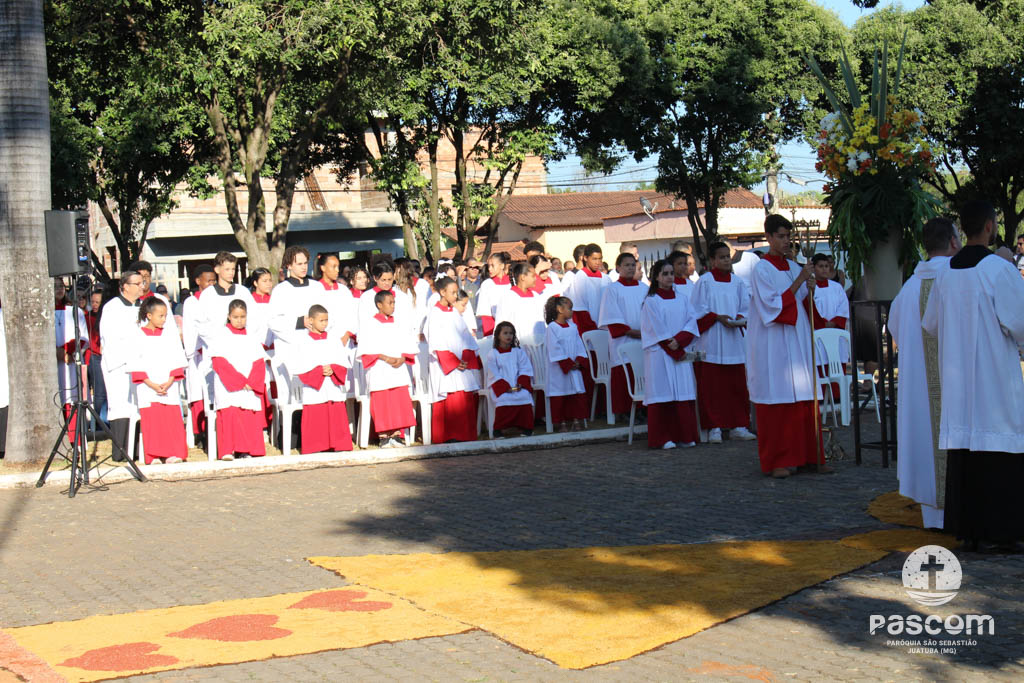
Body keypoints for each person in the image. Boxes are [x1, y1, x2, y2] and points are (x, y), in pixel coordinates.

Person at [922, 200, 1024, 550]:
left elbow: (931, 323)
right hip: (993, 377)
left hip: (959, 381)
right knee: (998, 448)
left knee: (967, 452)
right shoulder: (999, 270)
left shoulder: (946, 272)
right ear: (990, 227)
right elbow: (1019, 323)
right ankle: (1001, 533)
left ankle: (969, 531)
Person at [889, 217, 961, 530]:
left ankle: (932, 517)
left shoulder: (908, 288)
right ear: (954, 242)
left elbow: (893, 328)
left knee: (925, 438)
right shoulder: (959, 279)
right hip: (955, 382)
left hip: (920, 386)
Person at [746, 215, 826, 478]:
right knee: (778, 396)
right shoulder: (762, 269)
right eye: (780, 236)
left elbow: (804, 305)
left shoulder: (793, 266)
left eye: (788, 236)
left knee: (802, 394)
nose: (785, 241)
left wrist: (810, 288)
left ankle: (805, 455)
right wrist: (801, 280)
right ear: (768, 237)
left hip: (797, 339)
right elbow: (772, 307)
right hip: (774, 342)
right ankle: (779, 460)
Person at [690, 242, 755, 443]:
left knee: (736, 386)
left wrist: (737, 317)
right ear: (712, 260)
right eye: (722, 257)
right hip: (711, 340)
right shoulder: (705, 282)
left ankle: (738, 425)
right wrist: (717, 317)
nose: (726, 260)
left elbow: (746, 307)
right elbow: (696, 310)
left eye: (728, 256)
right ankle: (714, 427)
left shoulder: (737, 282)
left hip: (733, 340)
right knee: (712, 388)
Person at [641, 259, 701, 449]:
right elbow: (655, 328)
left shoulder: (683, 298)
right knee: (663, 394)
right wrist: (672, 346)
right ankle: (663, 437)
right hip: (661, 354)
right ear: (656, 277)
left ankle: (685, 435)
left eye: (671, 273)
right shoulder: (651, 301)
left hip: (680, 351)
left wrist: (680, 343)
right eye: (665, 274)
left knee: (682, 393)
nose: (669, 277)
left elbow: (692, 322)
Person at [129, 297, 188, 464]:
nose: (164, 319)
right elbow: (136, 363)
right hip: (148, 386)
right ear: (148, 315)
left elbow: (177, 359)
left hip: (168, 385)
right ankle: (154, 454)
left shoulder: (170, 335)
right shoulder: (138, 335)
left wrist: (170, 381)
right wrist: (152, 384)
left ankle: (172, 452)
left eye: (165, 316)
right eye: (160, 316)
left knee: (170, 419)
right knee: (153, 420)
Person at [208, 299, 268, 460]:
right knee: (231, 414)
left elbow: (259, 361)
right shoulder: (221, 335)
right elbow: (219, 362)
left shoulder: (252, 335)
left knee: (247, 415)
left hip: (249, 383)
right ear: (229, 316)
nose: (239, 320)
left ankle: (246, 449)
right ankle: (228, 450)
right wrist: (240, 381)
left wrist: (252, 381)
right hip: (229, 384)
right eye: (235, 317)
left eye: (243, 317)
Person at [290, 304, 353, 454]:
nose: (325, 324)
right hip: (314, 386)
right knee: (316, 414)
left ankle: (338, 444)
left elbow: (342, 361)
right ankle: (316, 445)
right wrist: (319, 371)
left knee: (334, 411)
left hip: (331, 382)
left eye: (326, 320)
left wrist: (333, 368)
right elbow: (301, 365)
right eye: (321, 320)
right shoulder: (303, 341)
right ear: (311, 320)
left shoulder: (333, 339)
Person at [358, 290, 417, 448]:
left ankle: (397, 434)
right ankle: (384, 436)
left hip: (398, 367)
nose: (393, 306)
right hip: (380, 368)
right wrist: (385, 358)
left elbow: (408, 342)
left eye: (394, 303)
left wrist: (403, 358)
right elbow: (366, 347)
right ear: (379, 305)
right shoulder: (369, 324)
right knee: (383, 401)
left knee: (398, 400)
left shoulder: (399, 322)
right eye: (389, 303)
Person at [425, 277, 482, 443]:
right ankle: (449, 435)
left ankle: (466, 435)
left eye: (457, 292)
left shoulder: (454, 313)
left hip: (461, 363)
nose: (456, 296)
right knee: (450, 397)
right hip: (446, 366)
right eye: (453, 292)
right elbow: (436, 342)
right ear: (442, 293)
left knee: (463, 395)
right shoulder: (434, 314)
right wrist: (453, 361)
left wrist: (465, 357)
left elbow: (466, 336)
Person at [99, 271, 147, 461]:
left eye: (142, 283)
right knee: (121, 406)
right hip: (119, 365)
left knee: (137, 406)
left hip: (139, 362)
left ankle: (137, 449)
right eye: (137, 283)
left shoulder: (142, 307)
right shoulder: (112, 308)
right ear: (125, 286)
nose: (141, 286)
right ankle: (120, 451)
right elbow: (109, 337)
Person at [598, 252, 647, 420]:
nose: (630, 268)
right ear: (618, 267)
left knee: (643, 371)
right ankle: (624, 411)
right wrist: (630, 331)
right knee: (624, 372)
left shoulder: (644, 288)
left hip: (644, 339)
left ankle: (642, 408)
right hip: (623, 339)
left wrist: (647, 331)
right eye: (626, 265)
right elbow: (611, 315)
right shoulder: (612, 290)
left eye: (633, 265)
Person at [267, 246, 323, 366]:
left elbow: (329, 314)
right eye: (299, 264)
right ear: (289, 265)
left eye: (305, 263)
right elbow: (273, 321)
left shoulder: (317, 287)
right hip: (290, 349)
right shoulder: (281, 290)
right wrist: (298, 322)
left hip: (316, 346)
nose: (304, 267)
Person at [182, 264, 216, 444]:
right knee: (198, 393)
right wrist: (195, 350)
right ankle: (201, 433)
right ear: (198, 281)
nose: (211, 284)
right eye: (208, 280)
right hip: (198, 354)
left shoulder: (216, 299)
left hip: (215, 353)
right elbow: (189, 329)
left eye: (213, 280)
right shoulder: (191, 302)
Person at [544, 297, 588, 432]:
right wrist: (567, 363)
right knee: (561, 393)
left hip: (574, 366)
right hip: (559, 369)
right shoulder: (552, 328)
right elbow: (554, 348)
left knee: (575, 393)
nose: (572, 311)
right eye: (570, 308)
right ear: (560, 309)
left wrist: (579, 361)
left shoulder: (573, 327)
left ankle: (576, 419)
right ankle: (561, 422)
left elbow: (579, 344)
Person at [809, 253, 850, 399]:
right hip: (818, 333)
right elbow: (809, 307)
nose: (825, 269)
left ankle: (838, 396)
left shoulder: (837, 287)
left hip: (835, 333)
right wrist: (822, 324)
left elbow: (843, 308)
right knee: (820, 362)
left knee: (836, 360)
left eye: (827, 266)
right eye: (821, 266)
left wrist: (832, 323)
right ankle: (821, 398)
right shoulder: (809, 287)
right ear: (813, 268)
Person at [54, 278, 89, 442]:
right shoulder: (43, 312)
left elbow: (82, 336)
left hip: (70, 361)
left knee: (72, 398)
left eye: (61, 286)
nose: (59, 289)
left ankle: (75, 437)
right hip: (54, 362)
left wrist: (68, 351)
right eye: (55, 287)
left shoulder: (74, 311)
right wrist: (57, 352)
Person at [485, 321, 534, 436]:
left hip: (518, 385)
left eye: (511, 333)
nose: (508, 336)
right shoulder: (493, 354)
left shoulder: (518, 352)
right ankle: (500, 430)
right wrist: (505, 387)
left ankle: (525, 428)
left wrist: (521, 384)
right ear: (498, 335)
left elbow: (525, 368)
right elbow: (493, 373)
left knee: (524, 396)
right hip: (502, 386)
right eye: (505, 333)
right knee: (504, 398)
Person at [562, 243, 608, 335]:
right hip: (588, 327)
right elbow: (579, 308)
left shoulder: (606, 278)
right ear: (585, 258)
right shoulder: (580, 277)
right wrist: (592, 328)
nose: (598, 262)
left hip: (605, 326)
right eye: (594, 259)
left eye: (600, 259)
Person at [494, 262, 544, 345]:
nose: (536, 279)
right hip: (517, 345)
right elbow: (501, 323)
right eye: (533, 276)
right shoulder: (508, 297)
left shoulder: (536, 296)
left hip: (538, 347)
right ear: (523, 277)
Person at [128, 260, 179, 337]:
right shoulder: (130, 302)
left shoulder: (161, 300)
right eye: (140, 277)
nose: (144, 280)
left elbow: (170, 327)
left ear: (150, 278)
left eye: (146, 276)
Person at [475, 252, 512, 336]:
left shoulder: (512, 283)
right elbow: (485, 313)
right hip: (495, 331)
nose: (489, 269)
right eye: (488, 266)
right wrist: (491, 335)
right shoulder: (487, 284)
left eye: (492, 265)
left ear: (502, 266)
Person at [85, 288, 107, 421]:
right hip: (94, 355)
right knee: (99, 392)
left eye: (97, 302)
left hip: (106, 355)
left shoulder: (106, 316)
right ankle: (99, 421)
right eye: (92, 302)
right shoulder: (87, 317)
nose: (94, 305)